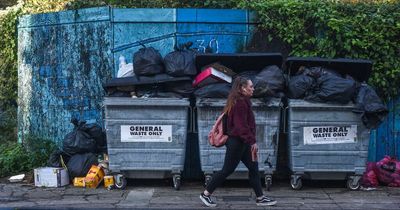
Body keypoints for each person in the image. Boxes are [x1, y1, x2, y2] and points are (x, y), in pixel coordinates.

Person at [199, 76, 277, 207]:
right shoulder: (240, 103)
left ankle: (260, 197)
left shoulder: (240, 101)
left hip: (242, 142)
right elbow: (241, 127)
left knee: (253, 167)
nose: (253, 89)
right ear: (242, 88)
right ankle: (205, 194)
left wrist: (249, 141)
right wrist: (252, 141)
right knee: (227, 170)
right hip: (237, 142)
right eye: (250, 86)